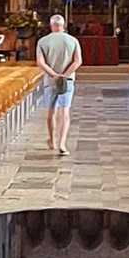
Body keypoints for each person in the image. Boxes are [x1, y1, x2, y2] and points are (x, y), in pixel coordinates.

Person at [35, 9, 83, 158]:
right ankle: (62, 143)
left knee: (51, 112)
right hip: (67, 81)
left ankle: (52, 140)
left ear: (51, 26)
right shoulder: (73, 41)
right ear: (63, 25)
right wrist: (65, 75)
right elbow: (78, 61)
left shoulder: (42, 41)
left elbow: (40, 62)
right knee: (65, 112)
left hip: (51, 80)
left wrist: (54, 75)